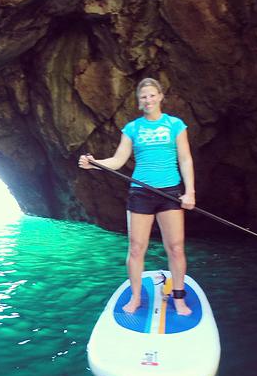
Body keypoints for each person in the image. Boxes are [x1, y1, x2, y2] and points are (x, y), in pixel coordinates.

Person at [79, 77, 195, 315]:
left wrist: (190, 191)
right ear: (139, 102)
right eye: (143, 97)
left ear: (161, 96)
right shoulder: (133, 128)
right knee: (135, 248)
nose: (148, 100)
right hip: (141, 193)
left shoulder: (175, 125)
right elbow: (118, 160)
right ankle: (135, 298)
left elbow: (185, 159)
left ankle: (179, 299)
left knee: (175, 248)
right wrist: (95, 163)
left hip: (170, 193)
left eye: (152, 95)